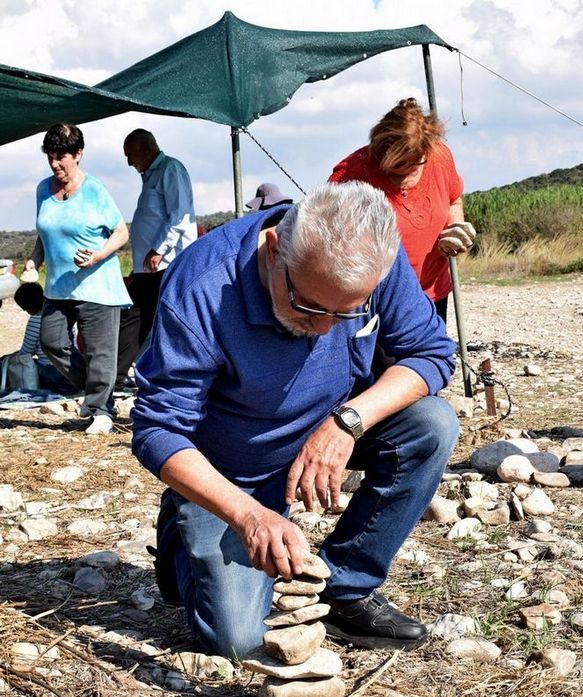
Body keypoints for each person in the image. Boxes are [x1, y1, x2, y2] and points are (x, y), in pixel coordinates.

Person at [132, 182, 459, 661]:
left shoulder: (370, 262)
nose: (325, 326)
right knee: (240, 641)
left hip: (328, 427)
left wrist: (348, 421)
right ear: (273, 251)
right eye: (309, 306)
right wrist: (248, 515)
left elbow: (431, 353)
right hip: (231, 474)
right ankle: (183, 535)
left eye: (346, 312)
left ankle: (346, 585)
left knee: (432, 424)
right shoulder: (202, 286)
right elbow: (158, 429)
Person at [24, 123, 131, 435]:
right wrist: (33, 261)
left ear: (78, 154)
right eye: (51, 156)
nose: (56, 163)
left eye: (62, 157)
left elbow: (121, 232)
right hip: (58, 286)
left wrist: (98, 256)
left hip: (97, 284)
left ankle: (100, 410)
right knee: (51, 341)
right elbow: (44, 235)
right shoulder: (43, 190)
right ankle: (99, 394)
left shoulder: (96, 190)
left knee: (101, 351)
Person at [329, 98, 475, 322]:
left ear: (425, 152)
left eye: (411, 165)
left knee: (428, 356)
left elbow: (453, 199)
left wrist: (455, 230)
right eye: (394, 168)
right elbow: (326, 235)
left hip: (430, 292)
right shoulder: (353, 171)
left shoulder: (440, 157)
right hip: (373, 299)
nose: (403, 175)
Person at [116, 129, 196, 388]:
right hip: (147, 267)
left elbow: (180, 215)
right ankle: (117, 376)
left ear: (144, 149)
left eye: (130, 156)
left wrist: (159, 249)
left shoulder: (170, 170)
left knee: (164, 319)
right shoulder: (150, 176)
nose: (129, 163)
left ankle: (167, 374)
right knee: (134, 317)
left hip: (167, 263)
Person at [13, 282, 76, 394]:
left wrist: (11, 359)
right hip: (74, 369)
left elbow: (26, 353)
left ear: (26, 307)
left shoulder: (36, 320)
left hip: (52, 373)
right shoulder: (63, 315)